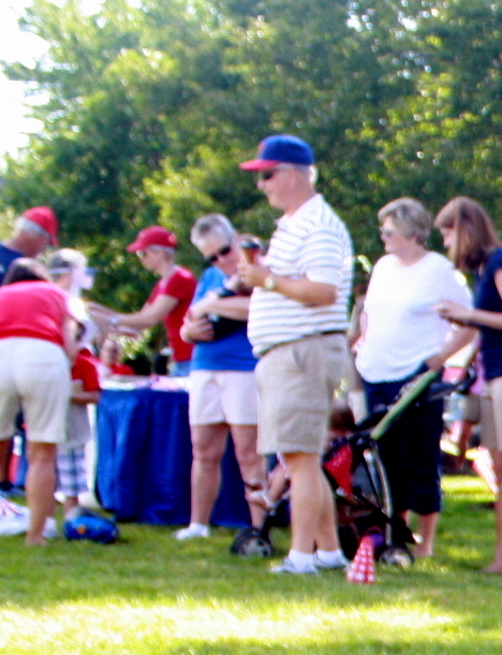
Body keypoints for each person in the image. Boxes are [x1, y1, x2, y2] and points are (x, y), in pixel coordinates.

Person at [234, 135, 356, 576]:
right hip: (289, 351)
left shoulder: (317, 225)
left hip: (302, 351)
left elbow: (324, 291)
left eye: (266, 175)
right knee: (301, 458)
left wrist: (268, 281)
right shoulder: (297, 224)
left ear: (291, 174)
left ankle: (301, 557)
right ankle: (327, 552)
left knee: (300, 459)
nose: (262, 185)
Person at [351, 198, 473, 559]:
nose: (383, 236)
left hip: (416, 377)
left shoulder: (439, 270)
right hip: (375, 372)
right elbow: (369, 312)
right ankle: (394, 533)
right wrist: (365, 340)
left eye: (389, 230)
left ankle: (427, 542)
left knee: (419, 456)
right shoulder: (383, 266)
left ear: (412, 233)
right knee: (385, 456)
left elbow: (468, 321)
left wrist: (438, 359)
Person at [431, 197, 502, 576]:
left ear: (464, 230)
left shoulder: (501, 263)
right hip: (492, 377)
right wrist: (443, 356)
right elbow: (481, 327)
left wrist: (469, 313)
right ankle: (500, 559)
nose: (446, 245)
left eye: (447, 235)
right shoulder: (483, 271)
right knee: (499, 467)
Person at [0, 260, 78, 547]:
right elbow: (70, 343)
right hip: (41, 353)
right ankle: (35, 536)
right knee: (42, 453)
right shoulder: (58, 295)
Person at [178, 216, 274, 556]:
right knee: (203, 449)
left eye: (224, 250)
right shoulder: (210, 277)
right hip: (205, 366)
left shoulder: (261, 269)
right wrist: (189, 331)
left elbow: (257, 308)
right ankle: (198, 523)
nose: (221, 260)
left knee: (249, 453)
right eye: (212, 257)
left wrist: (210, 305)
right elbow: (190, 320)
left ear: (237, 241)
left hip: (244, 368)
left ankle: (259, 525)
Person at [0, 207, 56, 496]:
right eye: (45, 241)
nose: (44, 249)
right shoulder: (11, 264)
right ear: (33, 234)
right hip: (6, 344)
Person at [43, 250, 103, 535]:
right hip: (48, 400)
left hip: (71, 419)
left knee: (69, 470)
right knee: (46, 463)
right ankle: (44, 518)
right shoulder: (56, 300)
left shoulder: (85, 361)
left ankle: (70, 517)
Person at [94, 226, 199, 378]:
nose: (141, 258)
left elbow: (151, 317)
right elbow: (142, 319)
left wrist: (111, 320)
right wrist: (97, 313)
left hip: (190, 358)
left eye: (143, 253)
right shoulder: (164, 282)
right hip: (181, 359)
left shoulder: (180, 278)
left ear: (160, 252)